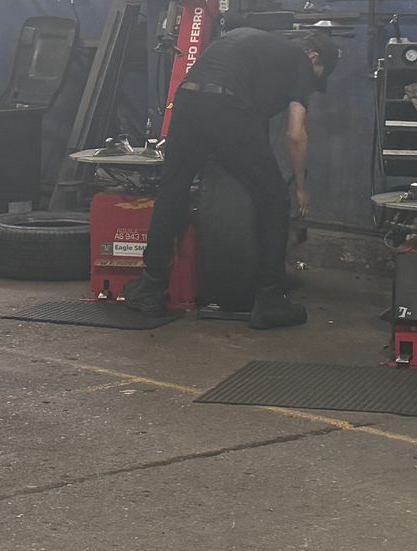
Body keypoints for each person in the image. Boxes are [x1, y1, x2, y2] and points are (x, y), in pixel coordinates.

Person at [126, 27, 337, 329]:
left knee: (173, 191)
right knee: (275, 199)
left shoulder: (252, 43)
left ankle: (151, 289)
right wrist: (301, 187)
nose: (312, 83)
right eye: (318, 75)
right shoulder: (300, 62)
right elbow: (295, 133)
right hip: (227, 105)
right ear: (314, 56)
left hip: (186, 99)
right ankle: (270, 299)